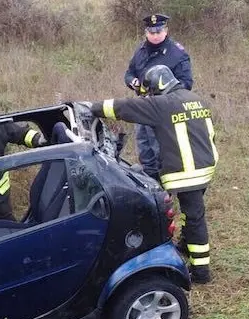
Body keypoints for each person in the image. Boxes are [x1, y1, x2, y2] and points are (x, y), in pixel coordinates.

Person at [85, 65, 218, 284]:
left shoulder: (162, 105)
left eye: (151, 93)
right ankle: (187, 243)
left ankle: (201, 271)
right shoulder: (196, 98)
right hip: (206, 166)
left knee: (195, 218)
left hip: (187, 173)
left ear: (157, 87)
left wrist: (93, 107)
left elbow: (126, 107)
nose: (151, 97)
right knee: (191, 211)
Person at [124, 13, 194, 182]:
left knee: (161, 149)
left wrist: (165, 92)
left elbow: (186, 83)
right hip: (143, 105)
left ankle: (167, 188)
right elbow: (129, 72)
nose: (155, 35)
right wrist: (132, 81)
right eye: (151, 32)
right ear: (146, 32)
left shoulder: (177, 53)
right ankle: (151, 183)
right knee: (145, 149)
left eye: (158, 31)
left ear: (166, 30)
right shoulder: (141, 50)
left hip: (164, 108)